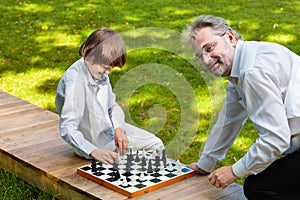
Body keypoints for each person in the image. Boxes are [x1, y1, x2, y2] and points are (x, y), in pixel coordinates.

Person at [182, 15, 300, 199]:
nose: (206, 60)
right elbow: (229, 119)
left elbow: (276, 138)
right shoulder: (242, 66)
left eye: (209, 48)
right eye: (200, 56)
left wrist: (235, 171)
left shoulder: (252, 71)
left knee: (258, 189)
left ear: (229, 37)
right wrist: (205, 163)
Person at [55, 28, 164, 165]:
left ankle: (136, 174)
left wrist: (119, 129)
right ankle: (135, 180)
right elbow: (68, 127)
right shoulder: (75, 81)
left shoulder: (97, 71)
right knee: (154, 148)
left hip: (108, 131)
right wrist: (93, 151)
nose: (107, 72)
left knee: (156, 143)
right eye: (105, 67)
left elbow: (111, 105)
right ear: (89, 54)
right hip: (96, 144)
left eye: (110, 68)